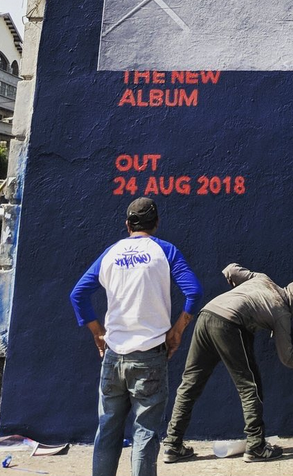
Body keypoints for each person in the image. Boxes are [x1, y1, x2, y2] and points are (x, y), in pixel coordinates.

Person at [70, 198, 202, 476]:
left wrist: (97, 333)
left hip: (113, 355)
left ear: (127, 224)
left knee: (107, 429)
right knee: (145, 433)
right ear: (156, 223)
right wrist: (177, 330)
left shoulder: (111, 253)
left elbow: (78, 294)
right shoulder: (165, 251)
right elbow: (194, 292)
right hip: (150, 356)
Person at [163, 265, 293, 464]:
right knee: (250, 387)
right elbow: (287, 357)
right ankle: (256, 447)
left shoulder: (263, 279)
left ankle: (172, 445)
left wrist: (238, 291)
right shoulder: (282, 312)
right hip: (230, 324)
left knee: (190, 384)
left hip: (206, 315)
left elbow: (231, 270)